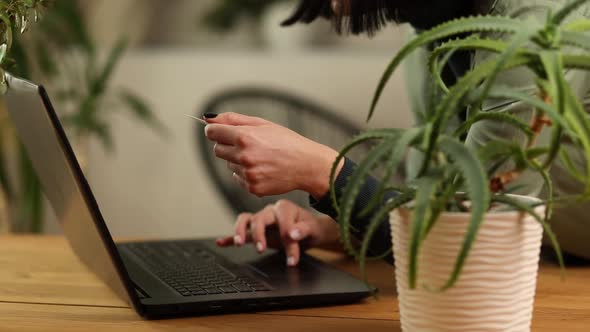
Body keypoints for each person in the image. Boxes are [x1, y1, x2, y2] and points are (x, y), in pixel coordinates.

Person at [204, 0, 590, 266]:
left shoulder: (534, 22)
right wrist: (330, 228)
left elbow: (476, 239)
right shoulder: (433, 26)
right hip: (546, 267)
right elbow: (441, 207)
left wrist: (327, 174)